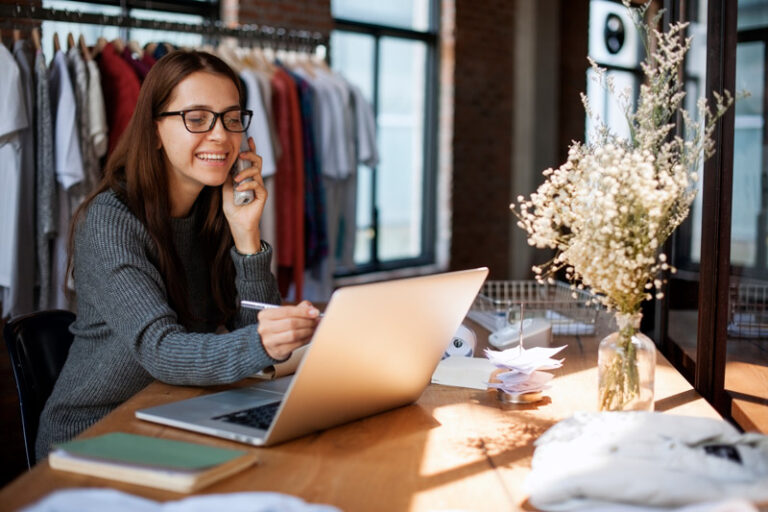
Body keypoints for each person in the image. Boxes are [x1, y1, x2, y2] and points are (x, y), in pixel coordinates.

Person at [35, 50, 320, 460]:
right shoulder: (110, 221)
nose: (221, 135)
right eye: (197, 119)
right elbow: (161, 350)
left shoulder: (215, 210)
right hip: (94, 433)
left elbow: (252, 331)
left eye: (231, 118)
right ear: (154, 130)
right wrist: (263, 341)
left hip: (176, 412)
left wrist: (247, 236)